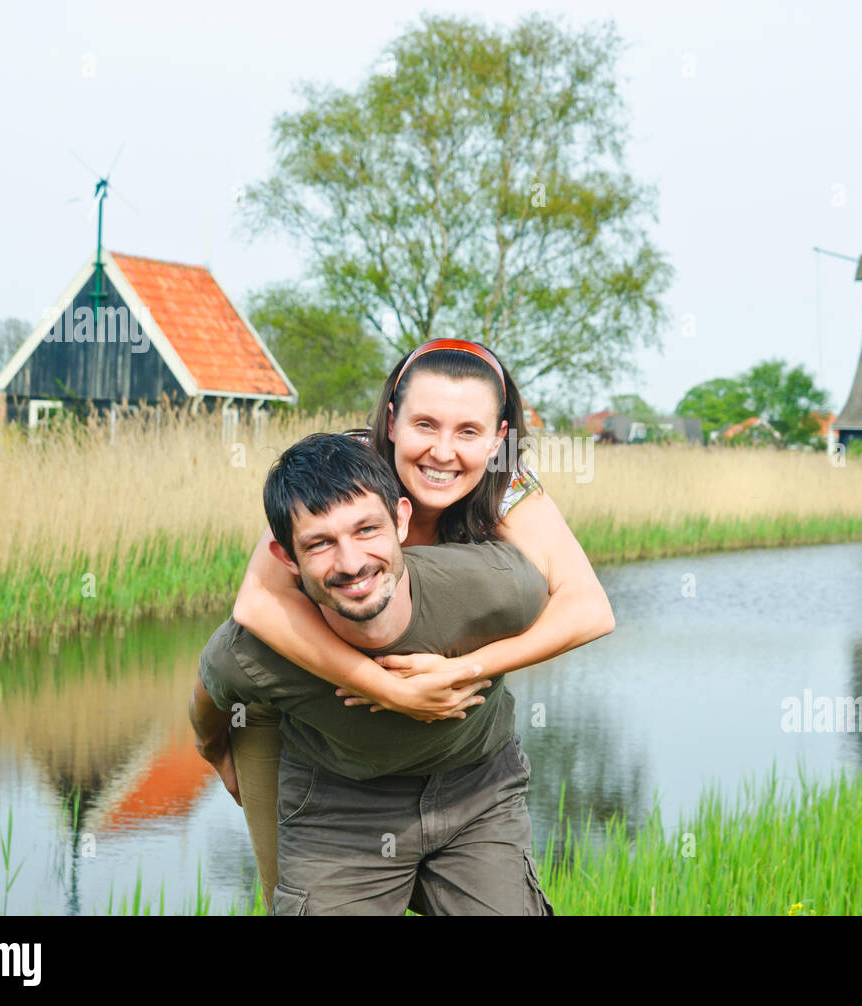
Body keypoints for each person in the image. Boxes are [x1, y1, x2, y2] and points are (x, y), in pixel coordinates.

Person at [224, 338, 614, 901]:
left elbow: (588, 607)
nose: (443, 452)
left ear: (499, 438)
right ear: (390, 421)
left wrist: (458, 673)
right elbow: (256, 607)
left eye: (469, 432)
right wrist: (388, 689)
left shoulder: (507, 485)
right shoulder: (343, 471)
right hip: (337, 777)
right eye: (424, 425)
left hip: (470, 776)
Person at [191, 432, 559, 913]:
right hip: (339, 810)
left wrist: (471, 666)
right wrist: (213, 750)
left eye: (366, 530)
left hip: (476, 793)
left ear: (402, 520)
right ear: (286, 559)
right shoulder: (259, 646)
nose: (352, 563)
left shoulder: (493, 586)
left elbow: (581, 610)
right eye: (320, 543)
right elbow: (210, 696)